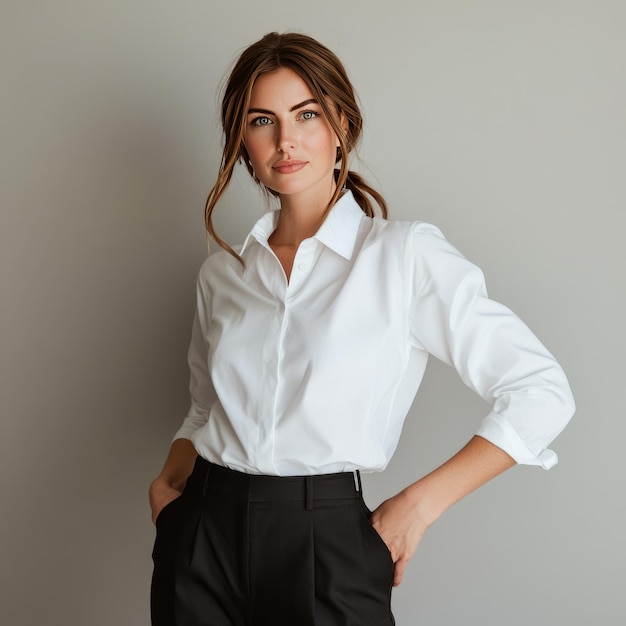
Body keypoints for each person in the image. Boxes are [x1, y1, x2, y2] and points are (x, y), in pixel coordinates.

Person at [149, 32, 575, 626]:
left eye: (306, 115)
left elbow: (541, 390)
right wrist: (170, 484)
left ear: (341, 124)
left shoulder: (403, 257)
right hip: (201, 539)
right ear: (241, 140)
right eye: (262, 120)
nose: (285, 141)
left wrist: (417, 507)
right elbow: (204, 409)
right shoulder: (224, 273)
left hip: (327, 544)